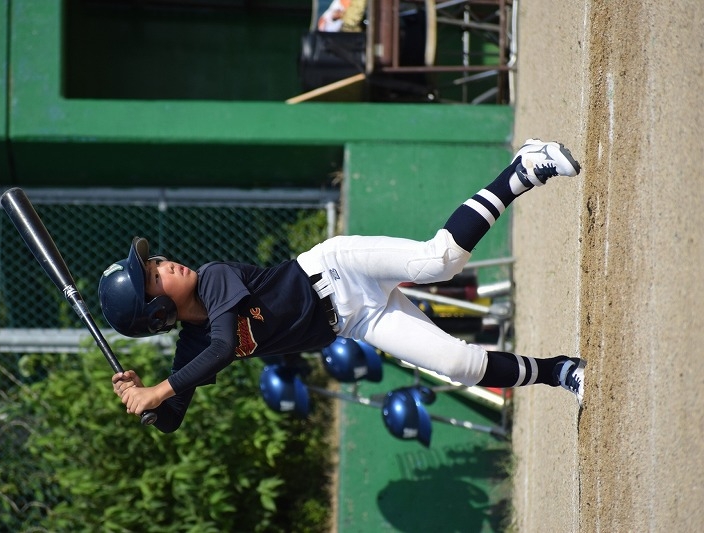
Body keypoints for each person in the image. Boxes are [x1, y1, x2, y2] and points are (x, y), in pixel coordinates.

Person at [99, 139, 586, 433]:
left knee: (440, 260)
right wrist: (144, 399)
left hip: (336, 269)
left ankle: (522, 170)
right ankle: (561, 371)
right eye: (154, 277)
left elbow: (224, 346)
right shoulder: (192, 347)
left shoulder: (213, 278)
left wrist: (159, 389)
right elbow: (171, 419)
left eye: (155, 262)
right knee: (460, 365)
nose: (164, 265)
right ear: (157, 314)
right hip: (355, 321)